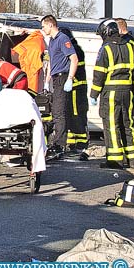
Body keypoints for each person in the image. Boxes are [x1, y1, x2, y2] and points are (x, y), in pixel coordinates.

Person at [90, 19, 134, 169]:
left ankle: (115, 160)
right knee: (128, 124)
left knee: (112, 126)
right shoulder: (131, 46)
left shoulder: (105, 49)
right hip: (128, 92)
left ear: (106, 33)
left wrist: (94, 94)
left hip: (111, 93)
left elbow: (99, 74)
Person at [41, 15, 78, 161]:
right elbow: (51, 62)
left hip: (63, 77)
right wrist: (46, 81)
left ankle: (59, 145)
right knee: (55, 111)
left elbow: (74, 59)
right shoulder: (51, 41)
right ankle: (56, 142)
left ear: (50, 25)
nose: (42, 29)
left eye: (43, 26)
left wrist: (70, 79)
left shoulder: (63, 39)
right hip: (56, 78)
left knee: (59, 112)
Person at [58, 27, 90, 157]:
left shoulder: (76, 50)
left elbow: (73, 66)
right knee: (70, 115)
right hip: (72, 90)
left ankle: (81, 143)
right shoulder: (73, 49)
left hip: (77, 89)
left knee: (77, 116)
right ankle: (72, 144)